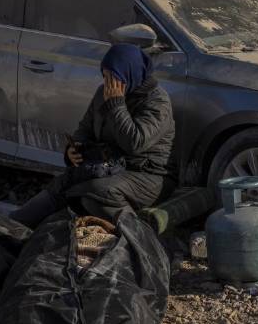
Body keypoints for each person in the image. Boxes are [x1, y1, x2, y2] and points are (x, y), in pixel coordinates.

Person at [12, 43, 176, 225]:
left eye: (114, 78)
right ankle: (15, 225)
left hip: (146, 175)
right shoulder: (102, 92)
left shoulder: (157, 101)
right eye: (105, 77)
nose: (108, 84)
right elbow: (85, 130)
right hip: (110, 166)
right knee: (64, 182)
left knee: (97, 192)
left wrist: (116, 104)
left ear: (129, 74)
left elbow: (134, 143)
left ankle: (136, 232)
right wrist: (74, 150)